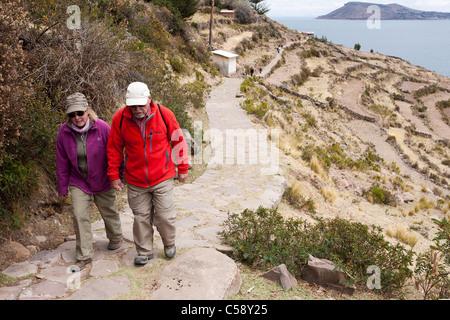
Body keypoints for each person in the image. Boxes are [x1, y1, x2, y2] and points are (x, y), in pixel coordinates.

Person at [107, 82, 189, 265]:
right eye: (133, 105)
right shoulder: (120, 119)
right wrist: (113, 175)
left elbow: (178, 140)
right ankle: (144, 252)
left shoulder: (164, 114)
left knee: (165, 216)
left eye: (140, 104)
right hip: (135, 180)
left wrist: (182, 168)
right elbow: (114, 148)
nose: (137, 109)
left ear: (149, 99)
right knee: (141, 218)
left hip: (162, 177)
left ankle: (169, 244)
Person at [56, 92, 123, 271]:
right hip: (78, 180)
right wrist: (62, 187)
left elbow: (114, 153)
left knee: (108, 210)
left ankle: (116, 238)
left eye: (80, 113)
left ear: (87, 111)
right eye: (72, 114)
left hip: (102, 178)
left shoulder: (102, 127)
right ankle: (84, 255)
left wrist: (117, 176)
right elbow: (61, 161)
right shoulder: (64, 131)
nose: (77, 118)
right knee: (79, 215)